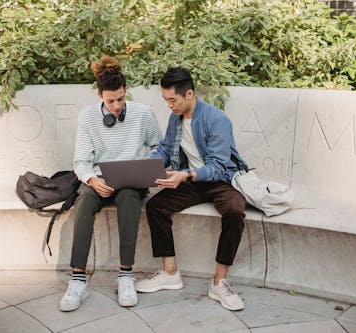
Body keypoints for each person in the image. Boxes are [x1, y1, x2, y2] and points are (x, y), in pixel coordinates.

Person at [135, 67, 248, 311]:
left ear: (189, 94)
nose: (169, 106)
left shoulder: (216, 120)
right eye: (166, 100)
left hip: (220, 181)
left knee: (235, 210)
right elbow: (165, 149)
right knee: (156, 207)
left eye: (172, 100)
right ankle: (170, 272)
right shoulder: (176, 120)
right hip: (191, 180)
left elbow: (218, 166)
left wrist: (184, 175)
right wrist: (148, 167)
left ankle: (219, 282)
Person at [59, 56, 162, 311]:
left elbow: (160, 147)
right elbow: (81, 161)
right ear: (100, 95)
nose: (116, 106)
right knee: (83, 203)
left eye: (120, 99)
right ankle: (78, 279)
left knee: (129, 200)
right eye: (110, 101)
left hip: (131, 179)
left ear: (126, 92)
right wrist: (93, 180)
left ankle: (126, 275)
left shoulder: (142, 114)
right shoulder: (87, 118)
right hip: (99, 179)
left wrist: (143, 165)